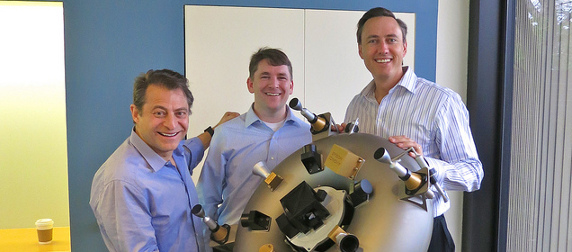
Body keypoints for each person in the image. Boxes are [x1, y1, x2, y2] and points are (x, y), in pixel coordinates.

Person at [343, 7, 484, 252]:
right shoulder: (356, 104)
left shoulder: (442, 101)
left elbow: (473, 173)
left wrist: (425, 166)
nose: (383, 49)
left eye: (391, 40)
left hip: (425, 233)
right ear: (361, 51)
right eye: (373, 41)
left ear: (404, 47)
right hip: (368, 228)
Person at [89, 69, 238, 252]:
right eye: (159, 113)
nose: (172, 124)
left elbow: (190, 151)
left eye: (180, 113)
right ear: (136, 113)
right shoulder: (123, 182)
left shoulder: (173, 152)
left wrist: (214, 131)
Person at [197, 48, 312, 228]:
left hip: (295, 243)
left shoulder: (310, 136)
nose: (274, 84)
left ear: (291, 86)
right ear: (250, 84)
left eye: (281, 77)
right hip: (234, 242)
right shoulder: (226, 134)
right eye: (265, 76)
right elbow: (206, 200)